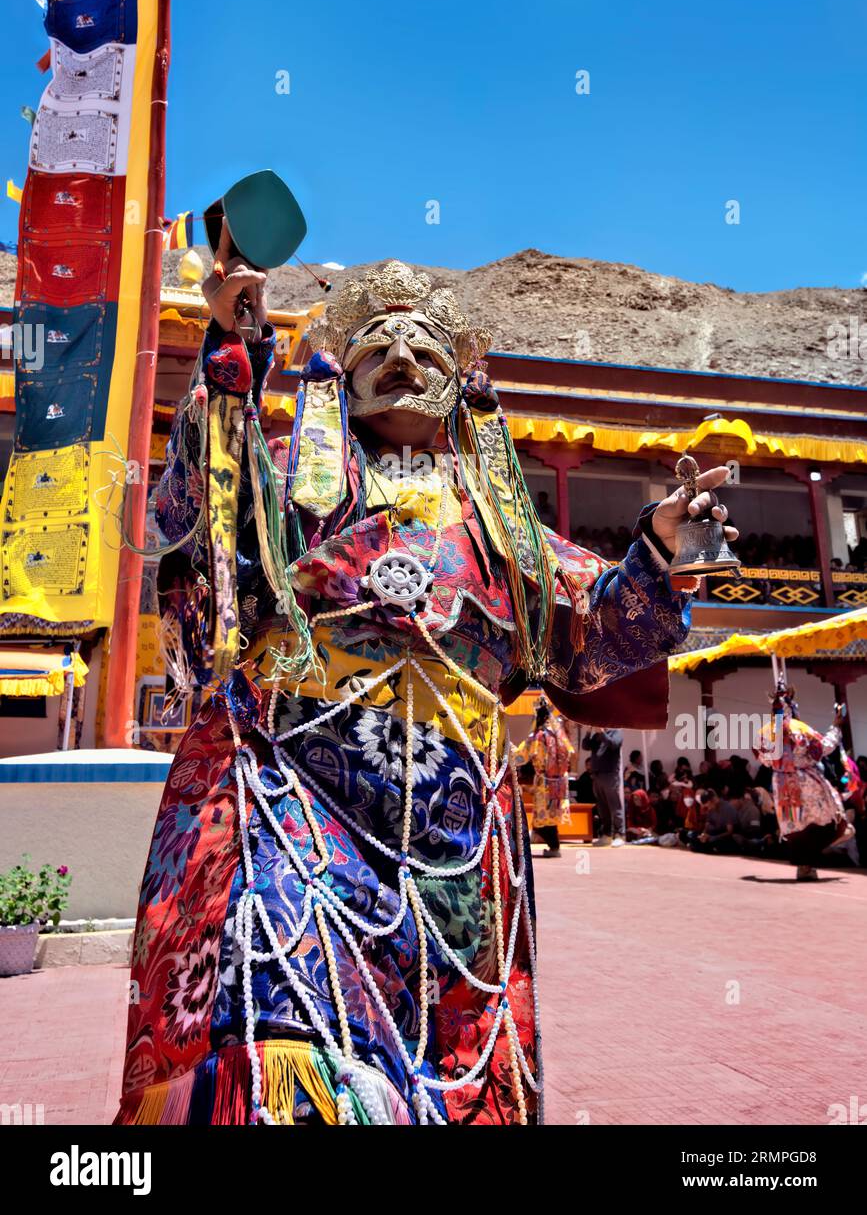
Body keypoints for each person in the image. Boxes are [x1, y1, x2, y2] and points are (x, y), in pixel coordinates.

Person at [115, 252, 733, 1126]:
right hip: (290, 789)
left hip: (452, 824)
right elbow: (204, 551)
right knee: (275, 1004)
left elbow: (586, 643)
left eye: (426, 353)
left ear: (461, 384)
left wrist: (660, 548)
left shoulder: (504, 525)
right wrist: (230, 356)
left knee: (441, 1052)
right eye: (375, 351)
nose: (401, 363)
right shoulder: (289, 478)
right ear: (339, 374)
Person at [754, 683, 852, 882]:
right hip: (806, 782)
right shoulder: (801, 730)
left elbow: (762, 758)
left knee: (795, 825)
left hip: (781, 785)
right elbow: (823, 748)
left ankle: (805, 866)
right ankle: (808, 865)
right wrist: (836, 727)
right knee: (824, 819)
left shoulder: (765, 733)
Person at [514, 699, 575, 858]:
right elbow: (569, 753)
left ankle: (554, 846)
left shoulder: (539, 735)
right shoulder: (559, 733)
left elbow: (522, 756)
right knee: (550, 816)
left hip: (545, 782)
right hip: (561, 781)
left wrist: (508, 751)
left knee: (545, 817)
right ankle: (551, 844)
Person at [584, 727, 626, 845]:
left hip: (610, 775)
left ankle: (620, 834)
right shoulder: (597, 735)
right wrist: (588, 733)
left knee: (614, 805)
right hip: (597, 775)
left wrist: (602, 733)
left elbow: (613, 744)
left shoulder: (616, 732)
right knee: (602, 807)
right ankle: (607, 835)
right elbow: (586, 746)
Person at [688, 788, 738, 853]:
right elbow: (707, 826)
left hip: (724, 836)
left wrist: (714, 837)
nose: (708, 808)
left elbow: (730, 832)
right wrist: (703, 834)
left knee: (718, 842)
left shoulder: (727, 808)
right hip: (713, 834)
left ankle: (707, 848)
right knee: (692, 835)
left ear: (710, 802)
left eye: (707, 806)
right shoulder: (710, 809)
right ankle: (705, 847)